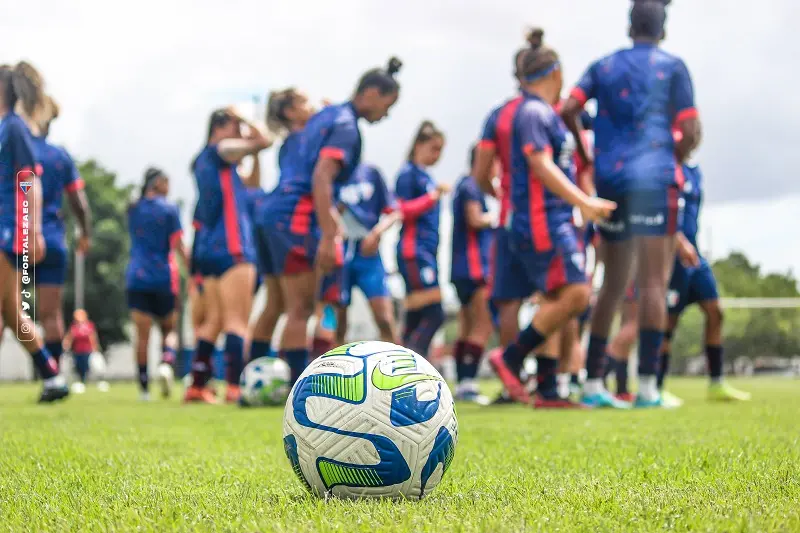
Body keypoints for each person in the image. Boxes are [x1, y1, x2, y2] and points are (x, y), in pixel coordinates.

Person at [561, 0, 701, 408]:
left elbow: (570, 107)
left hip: (610, 179)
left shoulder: (603, 66)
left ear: (629, 26)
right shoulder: (673, 67)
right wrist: (675, 156)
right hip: (656, 180)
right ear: (663, 28)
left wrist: (588, 157)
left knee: (613, 284)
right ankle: (647, 389)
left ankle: (592, 386)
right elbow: (690, 128)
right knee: (654, 282)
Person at [473, 28, 615, 407]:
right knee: (577, 294)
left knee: (548, 298)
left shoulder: (506, 113)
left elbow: (481, 173)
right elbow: (540, 162)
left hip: (520, 219)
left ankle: (548, 388)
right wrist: (582, 200)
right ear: (557, 73)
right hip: (543, 220)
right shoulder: (536, 112)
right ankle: (512, 358)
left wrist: (504, 195)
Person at [257, 57, 402, 386]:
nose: (386, 114)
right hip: (296, 214)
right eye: (387, 104)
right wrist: (327, 233)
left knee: (278, 306)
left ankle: (252, 381)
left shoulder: (324, 117)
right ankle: (295, 389)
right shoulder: (347, 126)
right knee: (302, 308)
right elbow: (322, 176)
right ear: (371, 93)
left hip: (272, 210)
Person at [185, 107, 272, 404]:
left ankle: (196, 385)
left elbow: (254, 184)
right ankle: (236, 388)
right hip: (233, 248)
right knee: (237, 321)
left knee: (214, 321)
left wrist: (253, 153)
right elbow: (265, 140)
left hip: (209, 249)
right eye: (235, 126)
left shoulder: (213, 163)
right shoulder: (219, 150)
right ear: (221, 126)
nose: (240, 132)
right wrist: (247, 121)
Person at [0, 62, 69, 402]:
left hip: (7, 229)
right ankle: (52, 375)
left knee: (10, 309)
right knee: (11, 311)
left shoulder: (13, 128)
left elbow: (30, 179)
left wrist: (34, 229)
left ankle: (52, 373)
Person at [660, 156, 750, 402]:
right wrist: (678, 242)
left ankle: (716, 383)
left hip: (695, 257)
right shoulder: (663, 168)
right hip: (671, 258)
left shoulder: (694, 173)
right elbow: (658, 210)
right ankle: (655, 386)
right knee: (668, 323)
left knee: (715, 312)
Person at [32, 95, 92, 370]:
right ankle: (53, 374)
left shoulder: (12, 147)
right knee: (50, 313)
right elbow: (79, 203)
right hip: (53, 239)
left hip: (16, 238)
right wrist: (85, 233)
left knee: (5, 308)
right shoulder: (60, 156)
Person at [126, 167, 189, 400]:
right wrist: (191, 272)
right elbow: (180, 246)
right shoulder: (170, 209)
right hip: (163, 277)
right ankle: (166, 363)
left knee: (142, 337)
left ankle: (144, 389)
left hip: (137, 277)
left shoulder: (133, 208)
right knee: (169, 329)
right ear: (158, 183)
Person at [395, 120, 449, 358]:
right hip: (413, 251)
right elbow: (401, 209)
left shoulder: (425, 176)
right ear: (419, 145)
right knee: (435, 313)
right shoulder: (408, 174)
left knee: (416, 314)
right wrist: (433, 197)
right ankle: (414, 360)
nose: (437, 156)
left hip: (427, 251)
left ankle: (402, 365)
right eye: (434, 149)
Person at [334, 163, 401, 346]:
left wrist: (377, 233)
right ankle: (333, 370)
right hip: (339, 252)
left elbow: (394, 212)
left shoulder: (371, 174)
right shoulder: (328, 173)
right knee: (337, 322)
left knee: (384, 318)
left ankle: (395, 367)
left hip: (368, 253)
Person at [450, 145, 493, 404]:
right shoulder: (472, 186)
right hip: (475, 266)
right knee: (484, 324)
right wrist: (498, 216)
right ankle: (469, 383)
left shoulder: (464, 185)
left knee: (466, 326)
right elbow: (475, 219)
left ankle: (463, 383)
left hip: (459, 268)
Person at [62, 309, 100, 393]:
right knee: (78, 366)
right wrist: (66, 344)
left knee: (86, 366)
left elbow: (92, 337)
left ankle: (85, 381)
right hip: (77, 351)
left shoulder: (89, 325)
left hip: (87, 350)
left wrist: (95, 347)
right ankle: (81, 381)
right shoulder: (74, 326)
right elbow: (70, 336)